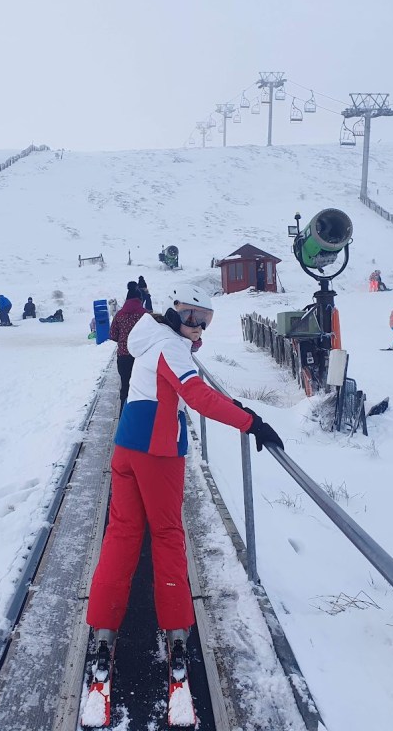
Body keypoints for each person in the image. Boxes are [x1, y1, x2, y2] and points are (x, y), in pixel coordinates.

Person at [85, 284, 283, 680]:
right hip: (157, 451)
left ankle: (104, 631)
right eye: (192, 317)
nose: (198, 327)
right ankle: (176, 632)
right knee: (167, 535)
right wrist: (251, 422)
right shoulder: (172, 347)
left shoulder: (151, 336)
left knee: (122, 534)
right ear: (175, 310)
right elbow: (196, 396)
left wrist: (235, 405)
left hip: (126, 445)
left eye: (205, 320)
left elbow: (183, 388)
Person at [109, 282, 149, 408]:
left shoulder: (119, 315)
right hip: (142, 357)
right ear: (140, 300)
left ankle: (123, 419)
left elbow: (113, 335)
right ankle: (141, 419)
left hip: (123, 357)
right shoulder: (145, 315)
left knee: (125, 387)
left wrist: (123, 340)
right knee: (143, 390)